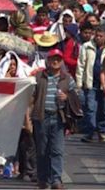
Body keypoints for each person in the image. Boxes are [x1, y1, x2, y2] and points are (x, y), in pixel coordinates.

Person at [31, 49, 78, 189]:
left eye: (58, 59)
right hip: (41, 117)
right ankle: (43, 179)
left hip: (59, 118)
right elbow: (31, 96)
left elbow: (76, 98)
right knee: (42, 150)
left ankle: (56, 180)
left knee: (57, 150)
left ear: (62, 61)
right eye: (53, 59)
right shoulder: (39, 77)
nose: (55, 61)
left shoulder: (67, 78)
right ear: (48, 61)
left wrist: (67, 97)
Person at [77, 26, 105, 143]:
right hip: (90, 81)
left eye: (101, 36)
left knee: (104, 109)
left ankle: (102, 132)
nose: (98, 38)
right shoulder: (87, 46)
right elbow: (81, 64)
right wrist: (79, 82)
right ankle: (90, 131)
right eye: (96, 35)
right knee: (90, 107)